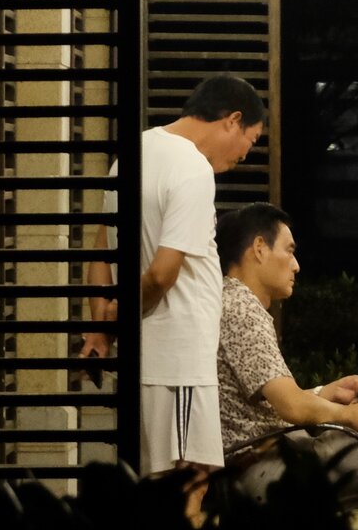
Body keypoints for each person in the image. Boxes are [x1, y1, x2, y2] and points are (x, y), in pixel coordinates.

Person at [213, 202, 358, 527]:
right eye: (289, 251)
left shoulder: (231, 303)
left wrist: (327, 392)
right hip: (268, 466)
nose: (296, 265)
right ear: (259, 248)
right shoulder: (242, 311)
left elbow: (269, 400)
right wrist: (347, 415)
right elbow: (292, 407)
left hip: (278, 453)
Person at [79, 73, 268, 481]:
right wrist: (122, 315)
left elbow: (100, 251)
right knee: (188, 484)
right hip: (179, 361)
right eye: (251, 140)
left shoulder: (130, 154)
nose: (245, 155)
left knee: (153, 483)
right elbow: (163, 274)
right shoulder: (193, 168)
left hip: (148, 362)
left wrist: (99, 328)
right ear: (232, 119)